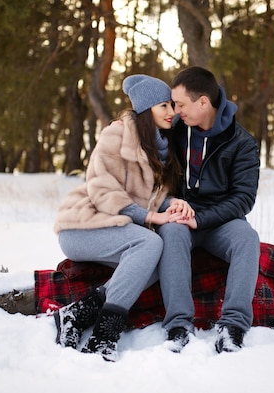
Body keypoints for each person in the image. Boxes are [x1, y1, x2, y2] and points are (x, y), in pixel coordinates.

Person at [52, 74, 194, 361]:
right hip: (84, 225)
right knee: (150, 245)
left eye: (172, 106)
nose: (172, 112)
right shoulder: (116, 134)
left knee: (156, 261)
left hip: (119, 231)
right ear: (145, 109)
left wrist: (172, 202)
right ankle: (105, 335)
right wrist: (151, 216)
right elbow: (101, 187)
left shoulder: (160, 146)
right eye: (163, 106)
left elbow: (147, 195)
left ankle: (77, 314)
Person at [157, 66, 261, 353]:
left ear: (203, 101)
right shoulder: (175, 131)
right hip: (179, 214)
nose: (175, 110)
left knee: (247, 239)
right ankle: (179, 325)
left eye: (180, 104)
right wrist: (172, 207)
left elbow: (243, 198)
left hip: (221, 220)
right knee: (173, 234)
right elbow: (151, 174)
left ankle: (233, 326)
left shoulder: (242, 143)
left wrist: (201, 219)